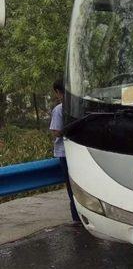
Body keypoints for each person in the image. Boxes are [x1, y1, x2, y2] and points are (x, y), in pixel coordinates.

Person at [50, 78, 81, 225]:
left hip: (64, 152)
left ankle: (76, 217)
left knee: (71, 187)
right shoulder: (79, 106)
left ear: (58, 92)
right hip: (79, 150)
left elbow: (56, 132)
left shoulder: (59, 110)